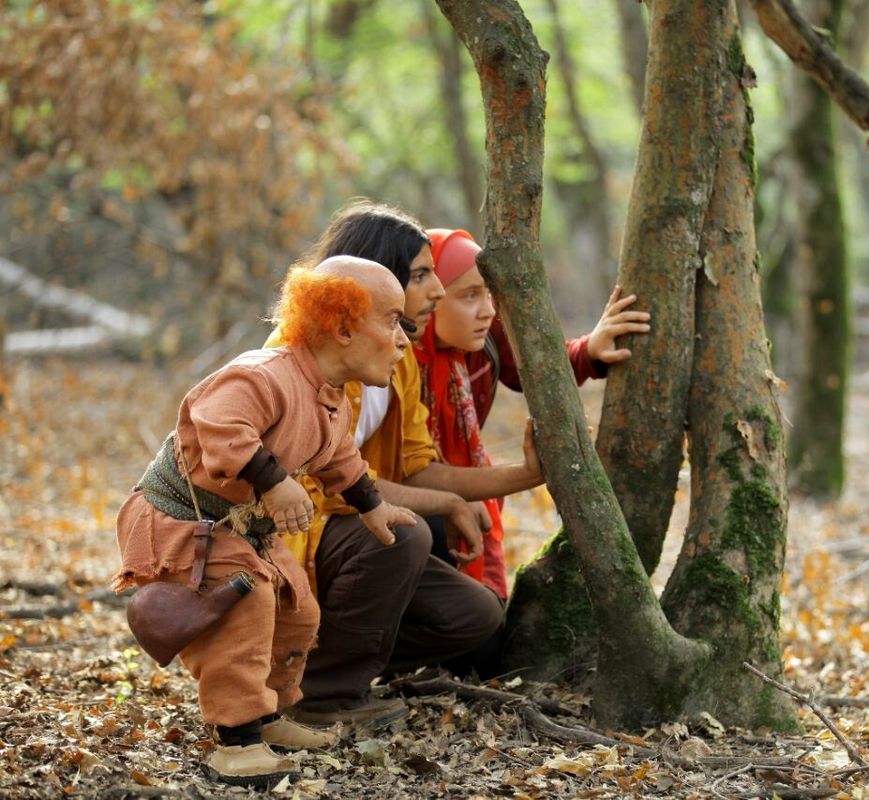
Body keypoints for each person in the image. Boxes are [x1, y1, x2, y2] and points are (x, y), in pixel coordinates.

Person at [112, 256, 419, 786]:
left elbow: (338, 455)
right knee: (246, 605)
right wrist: (275, 481)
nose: (404, 340)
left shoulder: (330, 398)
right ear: (343, 326)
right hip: (183, 520)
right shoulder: (265, 374)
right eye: (392, 321)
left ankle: (269, 715)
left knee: (298, 607)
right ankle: (235, 741)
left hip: (241, 525)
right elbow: (216, 421)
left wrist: (373, 505)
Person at [271, 201, 543, 723]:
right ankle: (317, 698)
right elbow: (323, 484)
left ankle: (325, 667)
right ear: (369, 285)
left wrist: (527, 475)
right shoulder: (297, 360)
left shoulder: (397, 359)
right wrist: (439, 503)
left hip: (347, 532)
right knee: (412, 531)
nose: (436, 291)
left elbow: (416, 465)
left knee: (477, 616)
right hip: (287, 539)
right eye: (421, 276)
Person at [417, 228, 651, 598]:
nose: (489, 310)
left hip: (478, 496)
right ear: (427, 297)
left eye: (488, 292)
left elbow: (537, 370)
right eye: (469, 295)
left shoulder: (486, 338)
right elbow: (402, 471)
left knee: (487, 623)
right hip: (413, 509)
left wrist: (589, 349)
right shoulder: (391, 363)